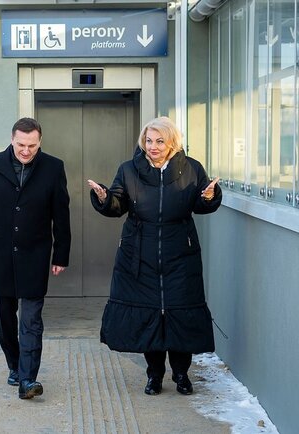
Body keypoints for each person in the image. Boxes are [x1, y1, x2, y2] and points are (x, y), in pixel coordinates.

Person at [87, 116, 221, 396]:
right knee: (149, 314)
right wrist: (104, 198)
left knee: (179, 313)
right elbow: (117, 204)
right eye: (148, 141)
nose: (153, 146)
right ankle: (154, 375)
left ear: (172, 142)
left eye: (160, 141)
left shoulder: (192, 169)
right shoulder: (129, 169)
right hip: (139, 254)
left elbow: (200, 204)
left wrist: (209, 196)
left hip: (180, 254)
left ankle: (181, 374)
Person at [0, 117, 71, 400]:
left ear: (40, 142)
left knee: (31, 320)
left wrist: (61, 255)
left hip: (35, 254)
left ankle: (28, 378)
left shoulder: (53, 167)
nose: (26, 151)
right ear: (12, 140)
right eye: (21, 145)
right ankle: (14, 366)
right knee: (6, 319)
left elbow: (61, 215)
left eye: (32, 146)